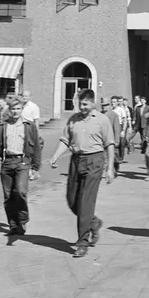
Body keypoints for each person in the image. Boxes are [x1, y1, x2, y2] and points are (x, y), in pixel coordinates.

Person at [50, 89, 115, 258]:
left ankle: (82, 243)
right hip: (76, 161)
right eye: (80, 104)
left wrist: (110, 168)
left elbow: (109, 144)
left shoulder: (102, 120)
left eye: (85, 104)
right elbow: (65, 140)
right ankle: (93, 222)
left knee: (85, 203)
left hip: (94, 161)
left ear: (93, 103)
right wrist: (56, 156)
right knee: (72, 200)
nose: (82, 107)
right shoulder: (73, 119)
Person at [0, 97, 42, 235]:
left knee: (21, 192)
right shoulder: (2, 127)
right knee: (8, 196)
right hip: (7, 163)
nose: (16, 111)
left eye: (18, 109)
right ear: (9, 110)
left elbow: (36, 147)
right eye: (13, 109)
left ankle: (22, 219)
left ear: (22, 109)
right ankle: (13, 225)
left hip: (22, 162)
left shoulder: (29, 126)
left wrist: (35, 167)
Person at [101, 99, 122, 175]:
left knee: (112, 156)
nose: (104, 107)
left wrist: (117, 141)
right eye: (103, 105)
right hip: (101, 139)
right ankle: (107, 170)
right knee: (103, 156)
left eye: (106, 105)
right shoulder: (99, 114)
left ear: (109, 105)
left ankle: (113, 169)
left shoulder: (114, 115)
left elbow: (117, 129)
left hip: (111, 139)